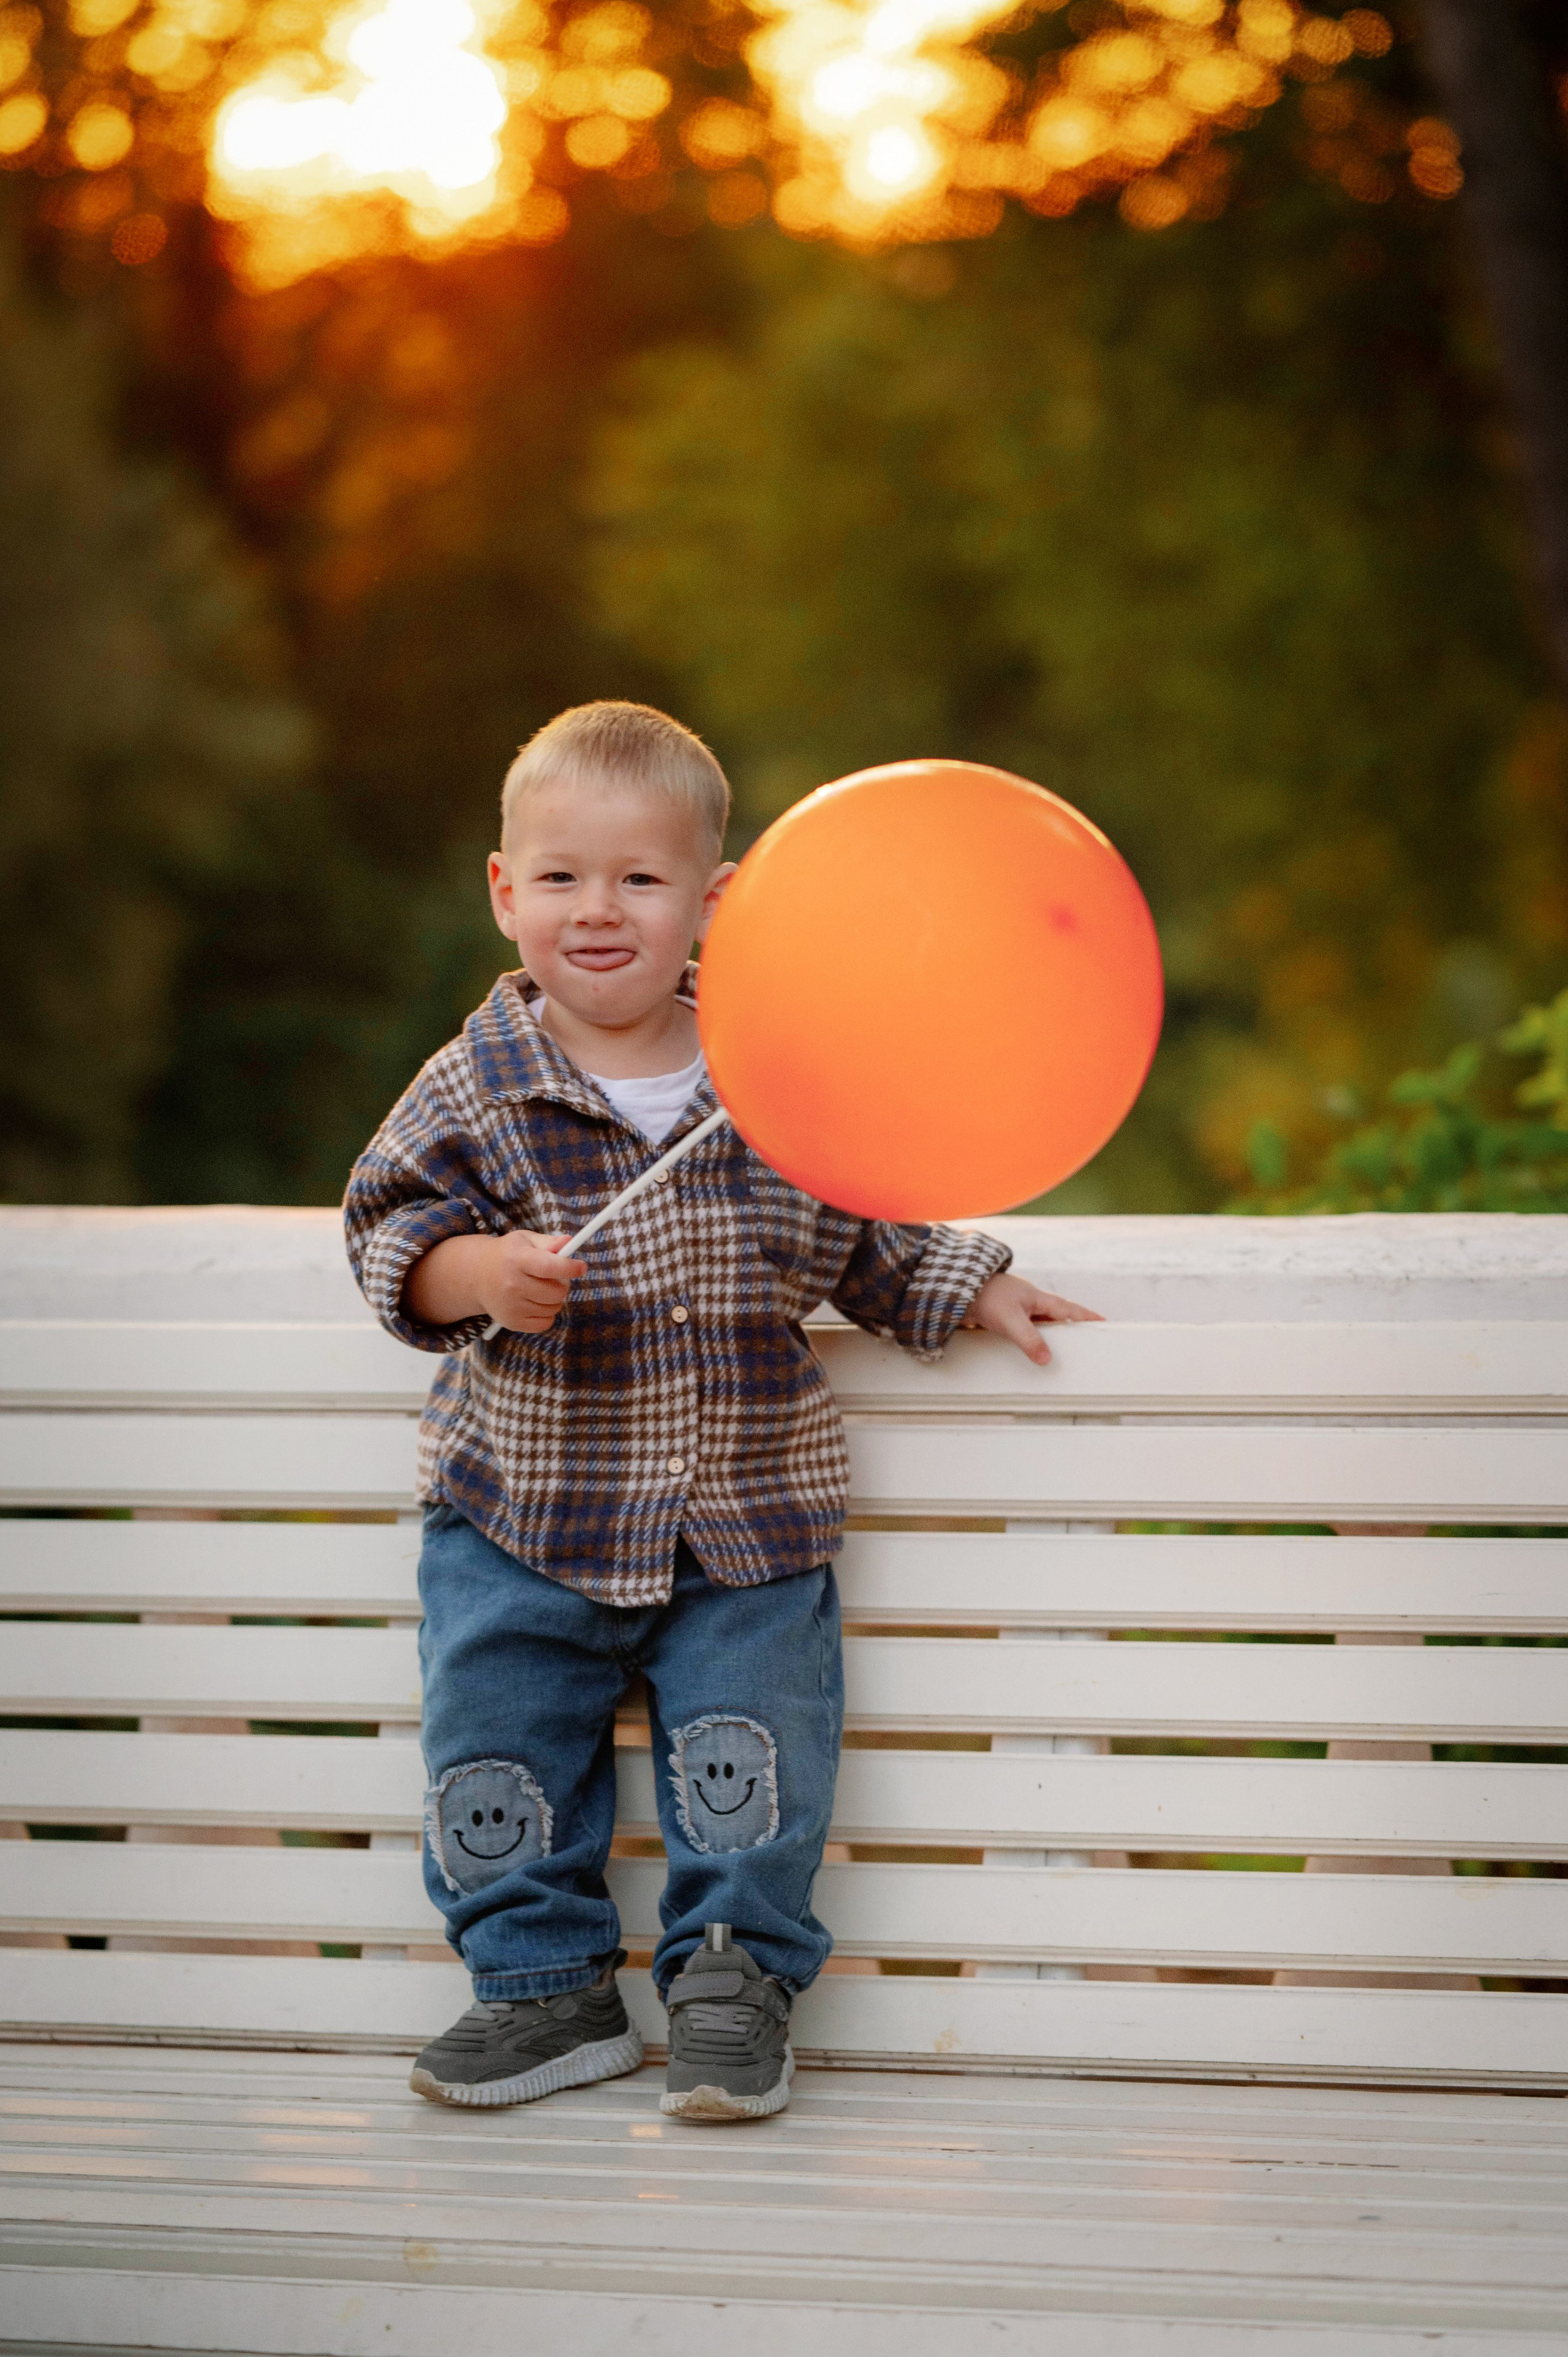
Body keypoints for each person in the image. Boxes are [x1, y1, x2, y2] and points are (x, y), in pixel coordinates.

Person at [344, 700, 1099, 2123]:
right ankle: (540, 1987)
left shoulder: (773, 1078)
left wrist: (971, 1280)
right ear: (505, 892)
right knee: (495, 1748)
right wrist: (475, 1274)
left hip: (745, 1521)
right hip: (525, 1514)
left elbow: (864, 1233)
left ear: (716, 895)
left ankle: (731, 1982)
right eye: (561, 876)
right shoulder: (475, 1089)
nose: (599, 909)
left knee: (746, 1760)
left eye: (640, 876)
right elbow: (385, 1232)